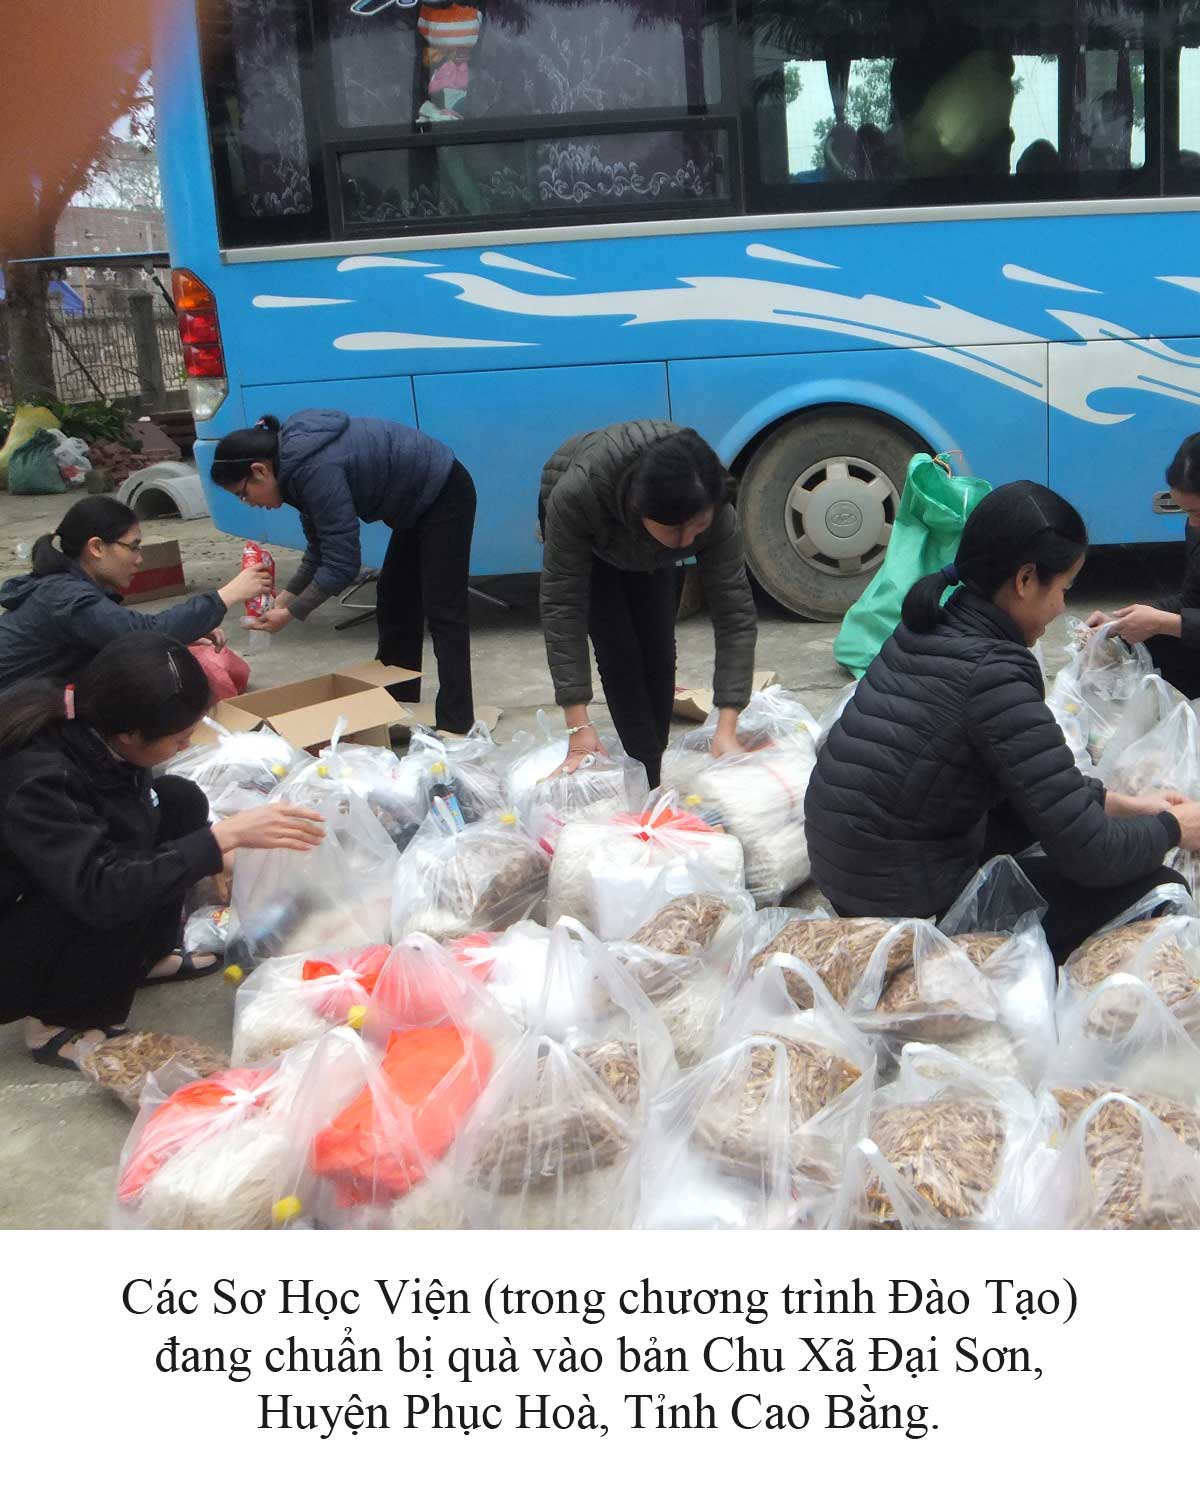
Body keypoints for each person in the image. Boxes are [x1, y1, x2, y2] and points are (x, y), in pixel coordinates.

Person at [805, 481, 1200, 963]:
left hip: (846, 869)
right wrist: (1173, 827)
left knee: (1035, 818)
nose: (1062, 608)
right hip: (906, 908)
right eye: (1064, 590)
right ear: (1025, 579)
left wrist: (1124, 805)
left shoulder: (932, 623)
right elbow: (1090, 853)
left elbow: (1032, 780)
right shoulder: (994, 673)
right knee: (1160, 888)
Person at [0, 633, 325, 1071]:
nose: (186, 747)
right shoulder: (40, 778)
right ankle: (57, 1020)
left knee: (178, 800)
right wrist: (217, 842)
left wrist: (225, 855)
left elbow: (133, 817)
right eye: (179, 739)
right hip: (20, 928)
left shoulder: (97, 724)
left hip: (64, 879)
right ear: (130, 733)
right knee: (111, 884)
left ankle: (145, 958)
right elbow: (100, 888)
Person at [211, 410, 477, 734]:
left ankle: (457, 724)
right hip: (413, 506)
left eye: (243, 493)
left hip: (444, 492)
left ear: (259, 470)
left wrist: (291, 613)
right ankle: (396, 709)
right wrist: (285, 598)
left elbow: (343, 563)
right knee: (394, 600)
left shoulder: (312, 469)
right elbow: (319, 549)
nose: (249, 503)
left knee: (443, 610)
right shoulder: (292, 469)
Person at [538, 422, 758, 786]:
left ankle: (651, 765)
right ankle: (646, 773)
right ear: (641, 509)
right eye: (674, 529)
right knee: (619, 652)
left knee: (658, 646)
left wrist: (727, 726)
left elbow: (734, 612)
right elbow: (562, 608)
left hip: (648, 537)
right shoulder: (578, 495)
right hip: (594, 533)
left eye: (697, 526)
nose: (686, 541)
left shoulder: (711, 504)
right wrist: (578, 728)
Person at [0, 495, 272, 694]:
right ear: (96, 547)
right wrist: (227, 594)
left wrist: (181, 633)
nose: (139, 559)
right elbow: (142, 632)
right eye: (133, 547)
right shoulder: (66, 596)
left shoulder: (63, 587)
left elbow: (121, 632)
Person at [1086, 432, 1200, 697]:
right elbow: (1193, 598)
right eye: (1187, 513)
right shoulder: (1196, 526)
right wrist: (1118, 624)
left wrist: (1164, 623)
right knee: (1138, 644)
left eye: (1197, 512)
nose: (1193, 523)